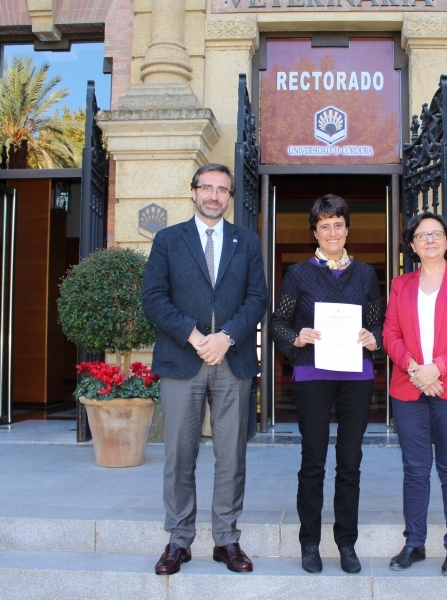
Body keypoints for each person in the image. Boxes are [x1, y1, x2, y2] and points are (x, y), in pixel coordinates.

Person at [142, 163, 268, 575]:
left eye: (222, 190)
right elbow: (154, 298)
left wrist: (226, 337)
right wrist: (196, 338)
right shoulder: (167, 239)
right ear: (193, 191)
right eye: (207, 188)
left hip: (233, 361)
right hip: (183, 360)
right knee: (179, 454)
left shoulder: (246, 241)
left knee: (232, 456)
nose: (214, 195)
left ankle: (227, 539)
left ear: (230, 197)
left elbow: (257, 299)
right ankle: (178, 539)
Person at [270, 194, 384, 575]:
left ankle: (346, 542)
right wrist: (296, 338)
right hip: (312, 376)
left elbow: (379, 321)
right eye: (324, 225)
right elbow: (278, 324)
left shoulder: (366, 274)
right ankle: (310, 542)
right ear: (314, 232)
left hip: (356, 377)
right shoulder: (299, 274)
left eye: (338, 224)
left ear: (347, 229)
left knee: (350, 462)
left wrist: (374, 338)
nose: (332, 232)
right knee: (313, 462)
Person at [382, 212, 447, 576]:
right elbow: (390, 333)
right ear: (412, 245)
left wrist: (436, 369)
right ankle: (415, 543)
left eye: (436, 234)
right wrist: (415, 370)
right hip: (409, 389)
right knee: (415, 470)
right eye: (422, 235)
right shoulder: (401, 285)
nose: (429, 240)